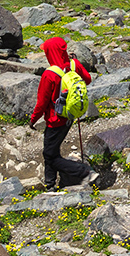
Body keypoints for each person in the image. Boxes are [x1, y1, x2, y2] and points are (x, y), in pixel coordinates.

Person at [29, 37, 104, 189]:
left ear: (51, 52)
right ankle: (50, 184)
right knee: (51, 151)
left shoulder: (49, 74)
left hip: (54, 120)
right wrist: (74, 64)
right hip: (70, 116)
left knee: (49, 155)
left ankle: (84, 172)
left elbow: (42, 102)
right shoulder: (73, 64)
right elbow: (88, 80)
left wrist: (33, 119)